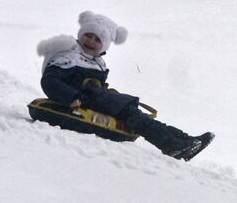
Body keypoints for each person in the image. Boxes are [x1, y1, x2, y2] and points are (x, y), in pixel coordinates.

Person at [38, 11, 213, 161]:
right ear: (80, 34)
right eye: (88, 35)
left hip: (97, 98)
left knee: (136, 113)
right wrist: (72, 97)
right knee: (131, 114)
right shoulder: (69, 56)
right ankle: (172, 146)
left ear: (103, 45)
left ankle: (185, 140)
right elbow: (50, 81)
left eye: (97, 40)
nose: (91, 41)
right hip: (84, 100)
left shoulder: (97, 62)